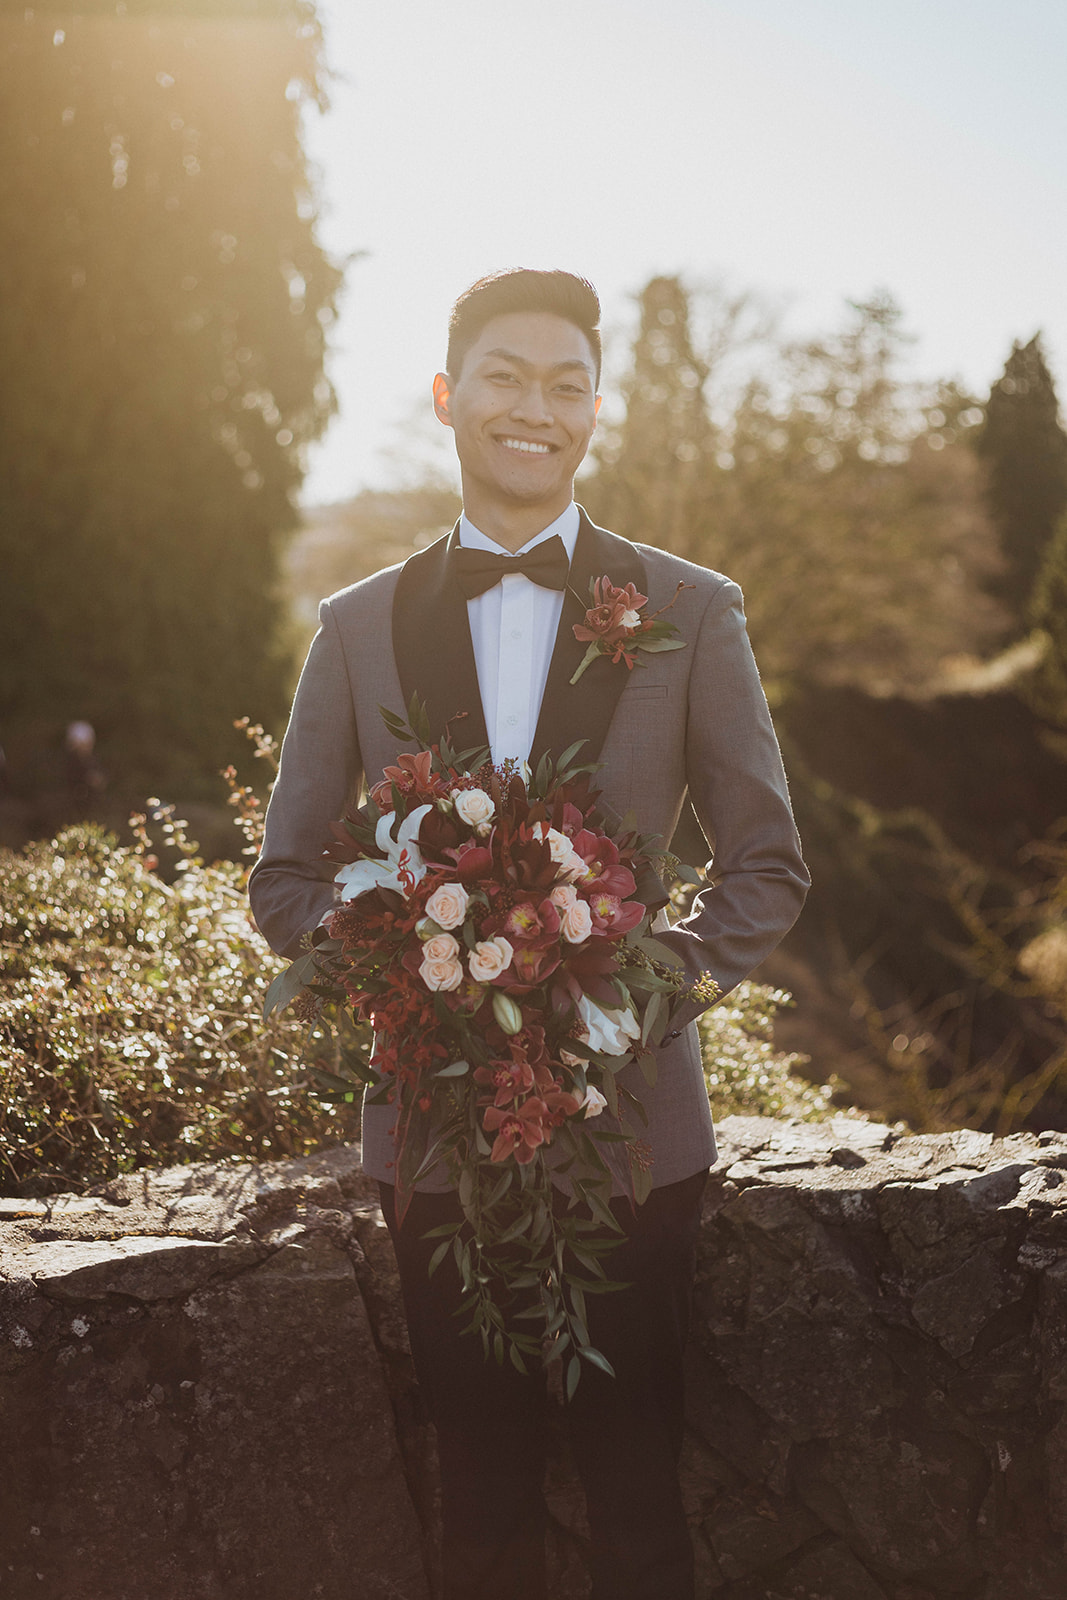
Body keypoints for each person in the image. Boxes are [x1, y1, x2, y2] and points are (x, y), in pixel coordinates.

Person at [249, 268, 809, 1600]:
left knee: (639, 1503)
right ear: (449, 397)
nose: (534, 409)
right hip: (434, 1136)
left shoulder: (690, 609)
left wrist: (633, 995)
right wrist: (401, 955)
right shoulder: (357, 628)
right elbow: (284, 879)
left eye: (567, 385)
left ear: (596, 412)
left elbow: (767, 864)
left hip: (637, 1136)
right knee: (481, 1505)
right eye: (504, 377)